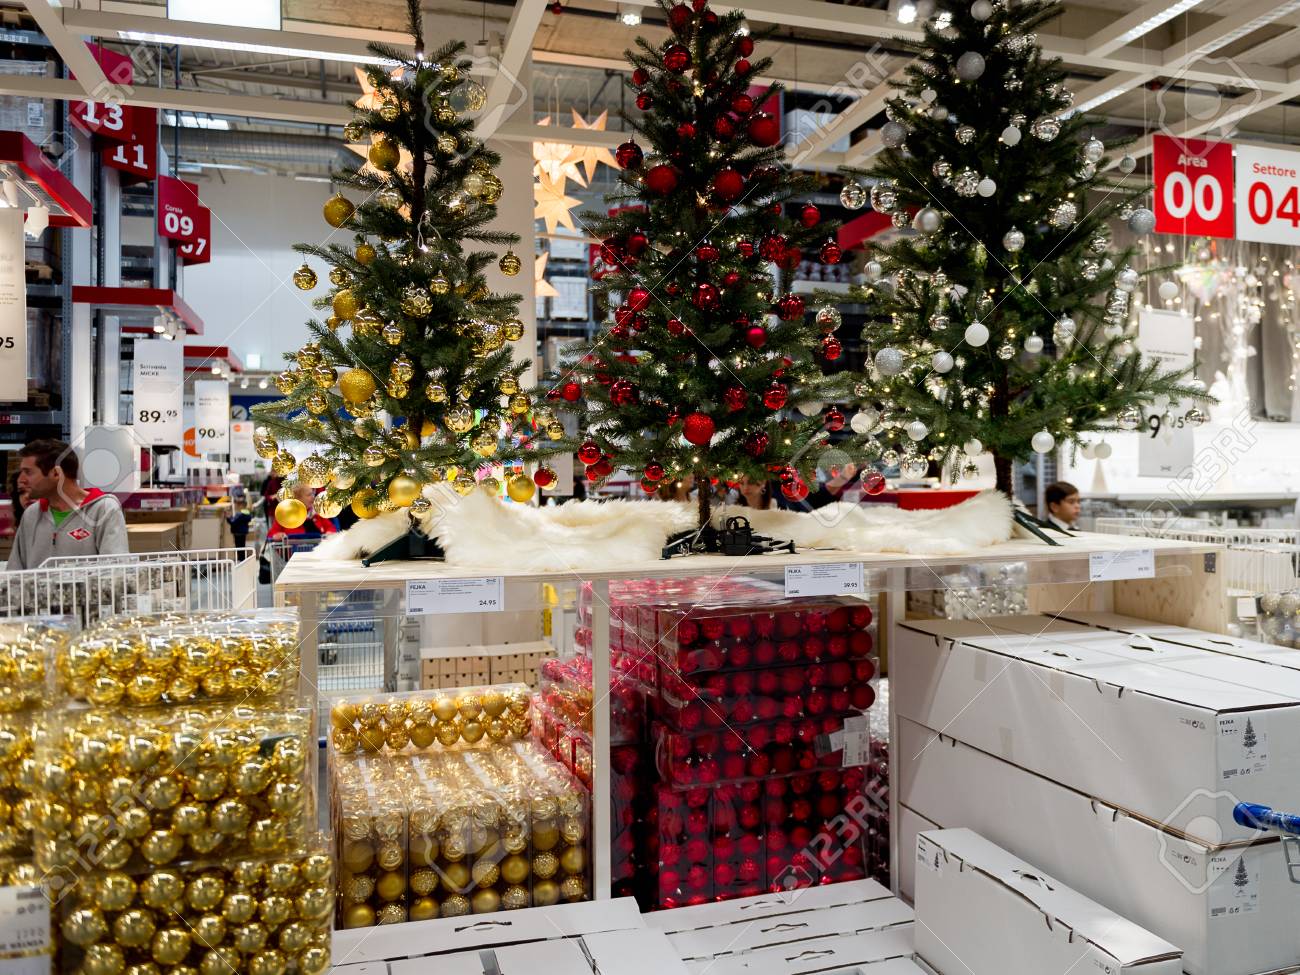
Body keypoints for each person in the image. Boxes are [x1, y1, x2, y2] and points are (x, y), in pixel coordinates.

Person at [7, 439, 129, 569]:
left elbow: (115, 572)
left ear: (56, 474)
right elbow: (14, 573)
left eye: (28, 472)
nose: (21, 480)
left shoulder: (104, 509)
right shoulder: (31, 514)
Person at [267, 483, 339, 540]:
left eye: (312, 493)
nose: (313, 497)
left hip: (317, 553)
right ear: (298, 498)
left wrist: (329, 532)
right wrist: (276, 535)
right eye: (309, 495)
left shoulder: (316, 513)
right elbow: (271, 534)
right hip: (292, 556)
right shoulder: (285, 515)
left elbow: (331, 527)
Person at [226, 488, 252, 552]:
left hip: (237, 533)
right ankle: (242, 559)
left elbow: (233, 522)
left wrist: (228, 517)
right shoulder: (246, 513)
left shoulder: (240, 514)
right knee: (242, 547)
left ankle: (241, 560)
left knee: (239, 548)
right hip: (243, 533)